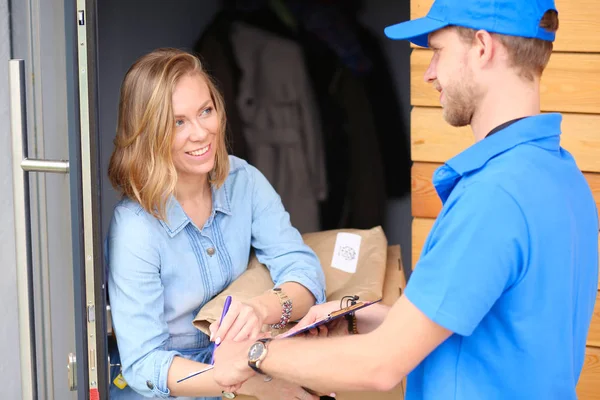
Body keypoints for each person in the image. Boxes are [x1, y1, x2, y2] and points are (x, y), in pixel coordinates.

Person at [212, 0, 599, 399]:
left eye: (437, 51)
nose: (429, 74)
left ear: (482, 47)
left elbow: (381, 365)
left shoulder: (493, 196)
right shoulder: (561, 175)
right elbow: (496, 331)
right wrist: (364, 318)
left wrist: (254, 354)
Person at [106, 47, 326, 400]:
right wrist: (248, 381)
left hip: (245, 363)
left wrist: (259, 309)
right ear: (147, 134)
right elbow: (145, 363)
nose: (201, 132)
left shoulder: (244, 181)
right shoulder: (135, 228)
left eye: (205, 111)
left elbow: (304, 271)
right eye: (178, 122)